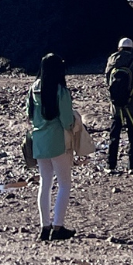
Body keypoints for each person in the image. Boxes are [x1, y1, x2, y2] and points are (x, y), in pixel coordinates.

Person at [29, 53, 77, 241]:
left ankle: (44, 227)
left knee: (45, 182)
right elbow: (67, 121)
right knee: (64, 183)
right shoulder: (61, 91)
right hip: (57, 141)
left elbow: (30, 115)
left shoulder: (34, 88)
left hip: (39, 141)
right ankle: (58, 226)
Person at [104, 37, 133, 174]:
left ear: (119, 48)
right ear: (131, 48)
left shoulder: (111, 61)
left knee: (114, 136)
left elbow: (108, 82)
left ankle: (110, 165)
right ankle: (132, 166)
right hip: (132, 106)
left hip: (116, 106)